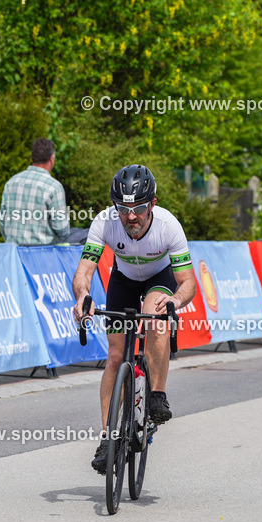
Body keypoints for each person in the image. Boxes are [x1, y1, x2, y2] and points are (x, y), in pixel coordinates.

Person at [72, 165, 197, 474]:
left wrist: (175, 301)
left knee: (155, 316)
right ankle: (107, 440)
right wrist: (83, 296)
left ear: (151, 204)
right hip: (123, 280)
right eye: (124, 208)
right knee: (115, 356)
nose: (131, 216)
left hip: (159, 279)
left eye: (139, 208)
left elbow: (188, 282)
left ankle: (157, 395)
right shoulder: (105, 222)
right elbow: (84, 271)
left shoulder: (169, 226)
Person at [0, 138, 70, 245]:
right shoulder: (54, 187)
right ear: (51, 158)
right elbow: (62, 229)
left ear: (32, 158)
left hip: (14, 255)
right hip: (42, 256)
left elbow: (3, 222)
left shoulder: (11, 183)